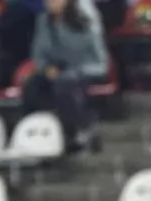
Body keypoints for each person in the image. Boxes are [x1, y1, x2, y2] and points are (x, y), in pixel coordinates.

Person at [24, 0, 109, 151]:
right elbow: (38, 54)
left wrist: (75, 71)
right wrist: (46, 68)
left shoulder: (86, 19)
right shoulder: (43, 21)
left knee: (65, 85)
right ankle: (42, 131)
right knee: (32, 86)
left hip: (86, 70)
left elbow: (100, 61)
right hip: (55, 71)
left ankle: (80, 130)